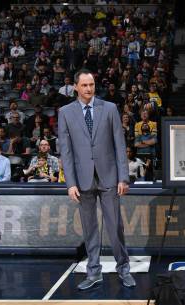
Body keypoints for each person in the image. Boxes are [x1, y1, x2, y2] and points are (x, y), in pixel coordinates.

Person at [58, 68, 135, 290]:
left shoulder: (109, 108)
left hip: (110, 177)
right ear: (75, 87)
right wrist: (70, 183)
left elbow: (120, 146)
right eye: (84, 85)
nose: (89, 89)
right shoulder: (65, 112)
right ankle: (93, 272)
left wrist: (124, 177)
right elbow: (66, 151)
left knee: (115, 227)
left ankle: (124, 269)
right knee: (90, 228)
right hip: (82, 181)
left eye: (91, 85)